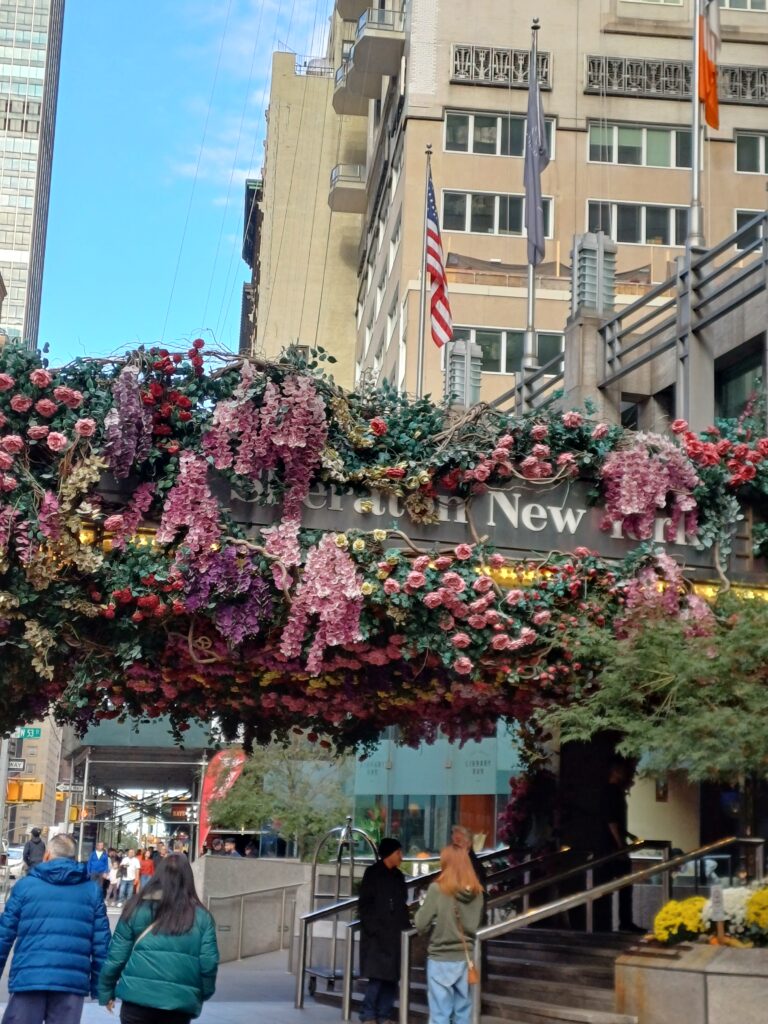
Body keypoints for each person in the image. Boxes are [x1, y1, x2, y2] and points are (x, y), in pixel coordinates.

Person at [0, 832, 110, 1024]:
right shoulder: (91, 891)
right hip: (71, 982)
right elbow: (101, 944)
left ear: (47, 855)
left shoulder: (25, 886)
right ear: (74, 858)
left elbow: (4, 935)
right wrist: (102, 988)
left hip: (29, 977)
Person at [98, 853, 219, 1024]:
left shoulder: (136, 908)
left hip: (137, 998)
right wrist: (200, 993)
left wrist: (106, 990)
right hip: (178, 1002)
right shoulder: (201, 916)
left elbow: (116, 956)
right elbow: (209, 962)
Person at [414, 844, 484, 1024]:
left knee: (440, 1015)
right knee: (463, 1013)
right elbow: (476, 923)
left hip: (441, 957)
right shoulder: (477, 892)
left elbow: (421, 923)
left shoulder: (438, 889)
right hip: (466, 958)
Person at [358, 837, 410, 1024]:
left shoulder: (399, 876)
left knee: (391, 978)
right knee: (377, 978)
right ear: (389, 854)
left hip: (395, 934)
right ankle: (368, 1014)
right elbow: (365, 905)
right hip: (377, 936)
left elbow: (402, 904)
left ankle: (384, 1014)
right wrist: (374, 929)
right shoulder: (373, 873)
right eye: (398, 852)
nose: (401, 856)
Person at [596, 758, 644, 933]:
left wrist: (627, 835)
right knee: (623, 883)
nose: (626, 775)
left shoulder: (609, 792)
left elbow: (613, 821)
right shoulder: (612, 792)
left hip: (608, 845)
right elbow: (612, 821)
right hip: (612, 847)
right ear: (615, 772)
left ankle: (616, 922)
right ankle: (624, 921)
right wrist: (620, 844)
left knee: (616, 884)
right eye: (622, 771)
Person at [451, 825, 487, 894]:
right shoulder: (454, 862)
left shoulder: (474, 866)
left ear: (468, 843)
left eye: (458, 841)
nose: (454, 844)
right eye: (453, 841)